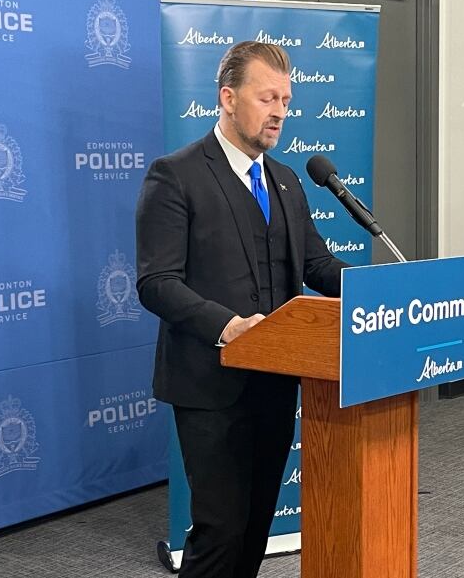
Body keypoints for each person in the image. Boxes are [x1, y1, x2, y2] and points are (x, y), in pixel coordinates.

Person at [135, 42, 348, 578]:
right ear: (228, 98)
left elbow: (317, 264)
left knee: (255, 525)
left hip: (276, 382)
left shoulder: (287, 180)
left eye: (286, 99)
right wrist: (229, 327)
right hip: (209, 384)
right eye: (267, 97)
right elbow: (156, 282)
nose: (279, 110)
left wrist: (385, 287)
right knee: (220, 528)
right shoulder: (175, 175)